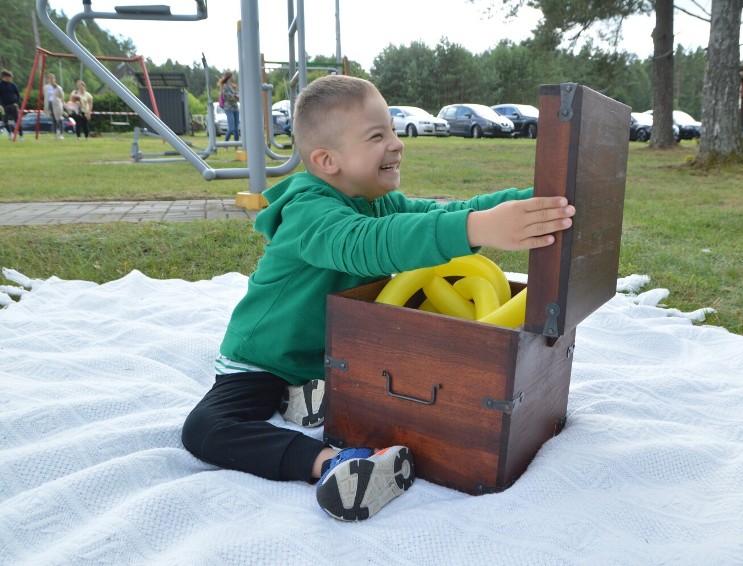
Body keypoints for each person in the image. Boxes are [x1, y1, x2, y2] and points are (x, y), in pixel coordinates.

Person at [181, 75, 575, 522]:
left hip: (335, 358)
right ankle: (330, 462)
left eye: (391, 128)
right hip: (263, 361)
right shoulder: (308, 211)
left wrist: (537, 203)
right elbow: (365, 243)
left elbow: (445, 212)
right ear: (327, 160)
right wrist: (477, 230)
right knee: (204, 429)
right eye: (377, 135)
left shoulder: (377, 201)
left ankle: (305, 396)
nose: (397, 142)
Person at [0, 69, 23, 139]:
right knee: (5, 121)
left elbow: (18, 95)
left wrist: (17, 103)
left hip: (13, 105)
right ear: (4, 77)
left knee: (17, 121)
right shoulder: (1, 85)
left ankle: (21, 136)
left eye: (11, 77)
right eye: (9, 77)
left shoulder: (13, 85)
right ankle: (10, 133)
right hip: (4, 106)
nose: (10, 78)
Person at [218, 71, 239, 143]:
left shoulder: (233, 86)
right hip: (228, 109)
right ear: (229, 77)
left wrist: (235, 97)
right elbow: (227, 97)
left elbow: (237, 96)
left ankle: (236, 145)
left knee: (236, 129)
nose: (234, 77)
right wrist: (234, 97)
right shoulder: (224, 86)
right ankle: (225, 143)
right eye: (232, 76)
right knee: (231, 128)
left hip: (235, 108)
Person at [43, 73, 65, 140]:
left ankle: (61, 133)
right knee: (53, 119)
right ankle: (55, 133)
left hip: (57, 104)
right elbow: (45, 95)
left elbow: (62, 96)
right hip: (49, 103)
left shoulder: (58, 87)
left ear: (54, 79)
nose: (51, 80)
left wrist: (61, 103)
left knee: (59, 118)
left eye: (52, 78)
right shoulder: (46, 87)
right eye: (50, 78)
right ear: (48, 79)